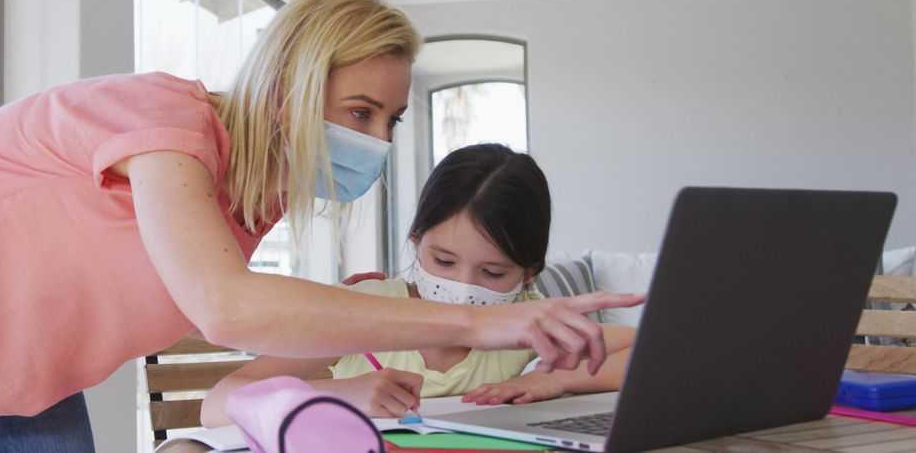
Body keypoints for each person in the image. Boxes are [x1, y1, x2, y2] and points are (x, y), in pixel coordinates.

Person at [0, 0, 643, 452]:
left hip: (13, 326)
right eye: (359, 111)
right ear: (287, 82)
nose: (376, 142)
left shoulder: (250, 201)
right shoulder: (163, 124)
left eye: (390, 121)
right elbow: (227, 307)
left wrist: (357, 380)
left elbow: (258, 321)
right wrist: (483, 326)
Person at [200, 143, 636, 427]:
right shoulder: (361, 310)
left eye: (493, 273)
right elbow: (218, 406)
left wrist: (559, 381)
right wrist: (344, 394)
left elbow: (656, 350)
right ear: (415, 241)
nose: (462, 288)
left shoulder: (523, 319)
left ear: (529, 273)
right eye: (443, 261)